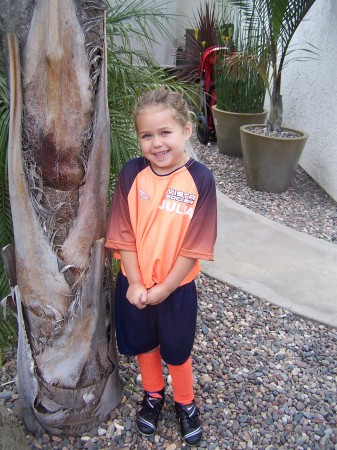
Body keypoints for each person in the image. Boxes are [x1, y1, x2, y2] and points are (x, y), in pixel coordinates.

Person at [105, 88, 217, 446]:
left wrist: (164, 289)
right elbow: (122, 234)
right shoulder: (132, 173)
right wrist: (136, 283)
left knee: (178, 350)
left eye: (165, 132)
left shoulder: (201, 180)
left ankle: (185, 402)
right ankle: (153, 394)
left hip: (176, 288)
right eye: (146, 135)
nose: (156, 143)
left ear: (186, 130)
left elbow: (194, 246)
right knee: (144, 345)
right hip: (135, 285)